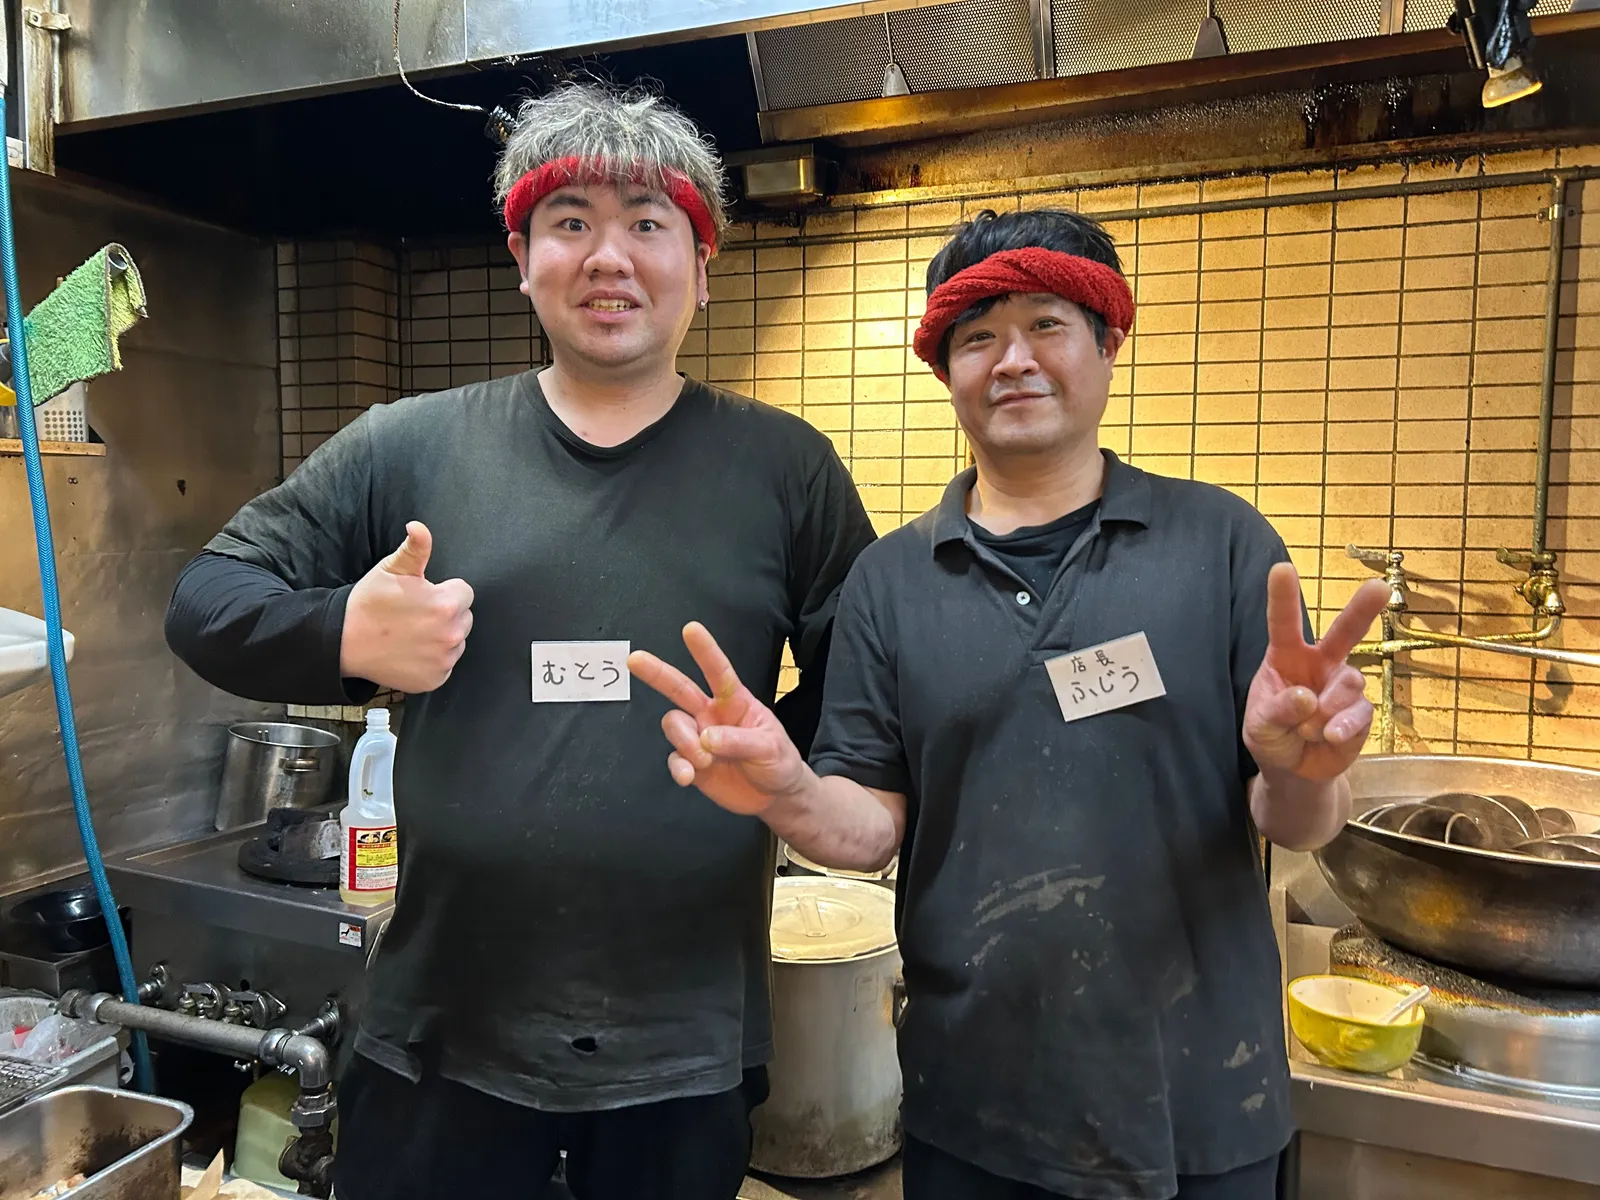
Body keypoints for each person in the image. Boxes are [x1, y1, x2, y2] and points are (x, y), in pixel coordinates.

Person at [163, 82, 874, 1200]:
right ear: (522, 251)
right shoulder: (408, 446)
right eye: (571, 221)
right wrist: (345, 632)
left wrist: (783, 768)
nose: (610, 256)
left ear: (703, 259)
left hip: (682, 1045)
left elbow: (864, 700)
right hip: (439, 1035)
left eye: (649, 222)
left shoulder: (787, 472)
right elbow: (206, 599)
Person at [628, 207, 1390, 1200]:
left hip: (1200, 1103)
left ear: (1109, 342)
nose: (1012, 360)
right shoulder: (889, 583)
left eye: (1046, 326)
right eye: (977, 337)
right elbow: (867, 831)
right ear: (946, 370)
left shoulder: (1220, 544)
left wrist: (1302, 770)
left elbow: (1291, 818)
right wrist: (785, 791)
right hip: (970, 1111)